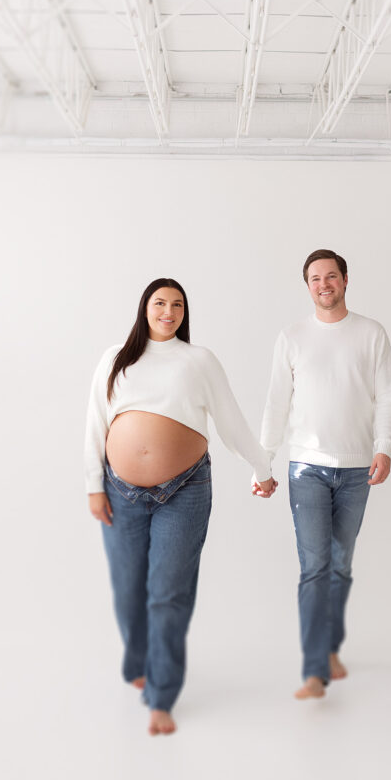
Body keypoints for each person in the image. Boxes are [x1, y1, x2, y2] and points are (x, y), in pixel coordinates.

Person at [85, 277, 277, 735]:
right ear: (144, 309)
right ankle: (139, 660)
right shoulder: (116, 359)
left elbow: (230, 420)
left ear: (184, 312)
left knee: (168, 592)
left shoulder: (199, 361)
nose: (168, 311)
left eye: (176, 305)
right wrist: (94, 484)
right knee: (129, 589)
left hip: (185, 490)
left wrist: (261, 467)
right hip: (119, 490)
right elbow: (95, 421)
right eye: (159, 303)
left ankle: (162, 694)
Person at [258, 249, 391, 699]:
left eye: (331, 276)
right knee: (315, 566)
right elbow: (277, 402)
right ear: (307, 286)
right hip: (307, 469)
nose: (324, 284)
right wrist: (265, 462)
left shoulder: (371, 333)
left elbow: (388, 396)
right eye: (315, 278)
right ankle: (315, 669)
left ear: (345, 280)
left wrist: (385, 448)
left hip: (358, 468)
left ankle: (330, 648)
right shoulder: (293, 337)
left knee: (340, 564)